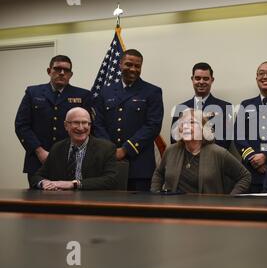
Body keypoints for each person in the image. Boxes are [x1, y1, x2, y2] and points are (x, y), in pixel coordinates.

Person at [15, 55, 93, 186]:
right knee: (37, 202)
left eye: (66, 70)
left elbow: (88, 129)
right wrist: (39, 151)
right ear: (49, 71)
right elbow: (21, 125)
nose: (62, 73)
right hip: (38, 160)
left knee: (72, 201)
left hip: (71, 160)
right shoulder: (33, 92)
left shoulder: (83, 95)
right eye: (57, 69)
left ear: (71, 74)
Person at [93, 49, 163, 191]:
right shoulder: (105, 91)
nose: (133, 69)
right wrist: (110, 150)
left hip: (139, 165)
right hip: (109, 163)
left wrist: (126, 149)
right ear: (120, 65)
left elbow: (153, 126)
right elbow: (98, 124)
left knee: (139, 210)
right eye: (129, 64)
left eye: (137, 66)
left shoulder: (152, 91)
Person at [153, 109, 251, 195]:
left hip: (206, 212)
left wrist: (229, 200)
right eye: (182, 123)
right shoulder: (171, 151)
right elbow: (159, 173)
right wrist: (155, 195)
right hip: (173, 211)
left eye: (191, 122)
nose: (186, 126)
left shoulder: (218, 153)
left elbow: (245, 176)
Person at [30, 107, 117, 190]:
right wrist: (44, 183)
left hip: (92, 201)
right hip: (61, 200)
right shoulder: (57, 148)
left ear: (90, 125)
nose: (81, 127)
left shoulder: (106, 148)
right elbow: (37, 176)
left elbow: (111, 180)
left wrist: (74, 184)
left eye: (85, 123)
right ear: (66, 125)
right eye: (76, 122)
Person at [234, 61, 267, 192]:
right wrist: (252, 158)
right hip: (250, 171)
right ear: (256, 78)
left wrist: (266, 155)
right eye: (261, 73)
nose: (265, 77)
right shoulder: (246, 105)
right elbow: (238, 136)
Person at [170, 62, 232, 149]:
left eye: (206, 78)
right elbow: (174, 140)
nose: (201, 82)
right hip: (187, 160)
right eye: (198, 78)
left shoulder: (225, 108)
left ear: (212, 80)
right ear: (192, 79)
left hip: (213, 159)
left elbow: (225, 141)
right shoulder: (180, 109)